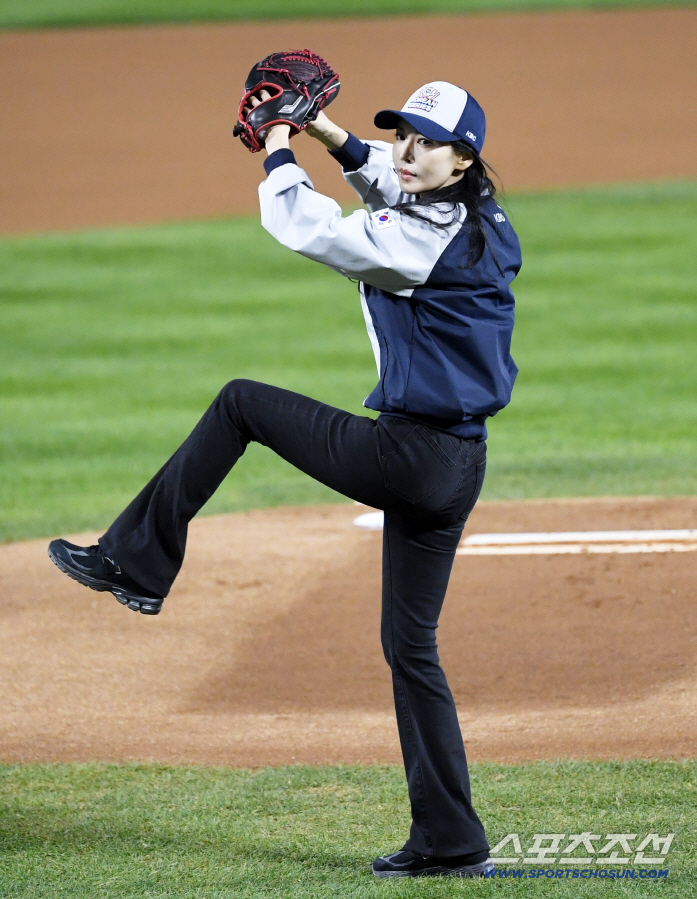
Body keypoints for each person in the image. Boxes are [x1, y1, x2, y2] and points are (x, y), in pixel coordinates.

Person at [48, 80, 521, 879]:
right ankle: (452, 839)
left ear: (463, 156)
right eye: (402, 133)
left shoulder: (419, 245)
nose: (406, 150)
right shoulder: (479, 215)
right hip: (458, 464)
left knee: (241, 405)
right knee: (411, 648)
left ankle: (138, 559)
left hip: (410, 457)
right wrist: (323, 130)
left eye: (425, 141)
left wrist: (275, 144)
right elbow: (390, 186)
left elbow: (306, 227)